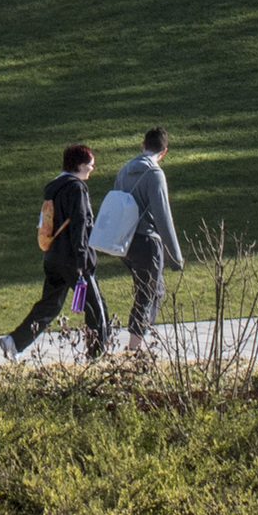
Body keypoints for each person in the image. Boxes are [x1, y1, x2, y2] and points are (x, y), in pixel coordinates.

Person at [0, 142, 109, 359]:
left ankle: (14, 342)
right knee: (97, 308)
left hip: (53, 256)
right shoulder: (77, 188)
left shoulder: (54, 187)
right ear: (79, 165)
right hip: (74, 259)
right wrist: (82, 258)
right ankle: (98, 355)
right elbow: (79, 223)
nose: (92, 169)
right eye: (90, 165)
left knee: (49, 306)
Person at [112, 127, 185, 349]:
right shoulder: (155, 174)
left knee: (155, 289)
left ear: (143, 145)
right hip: (147, 240)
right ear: (164, 152)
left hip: (125, 241)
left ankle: (140, 338)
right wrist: (175, 257)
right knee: (147, 293)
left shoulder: (124, 170)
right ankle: (134, 348)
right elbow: (163, 217)